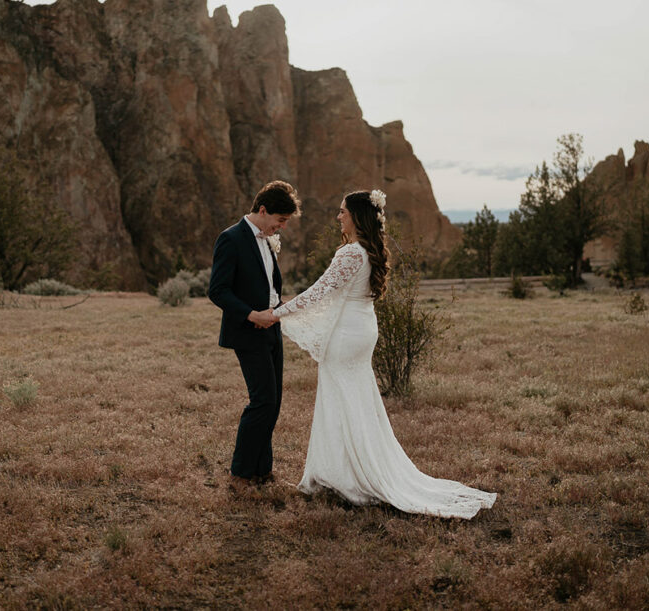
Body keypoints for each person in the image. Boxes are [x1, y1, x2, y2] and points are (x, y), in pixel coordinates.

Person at [272, 190, 497, 518]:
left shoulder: (350, 253)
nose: (338, 217)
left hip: (347, 335)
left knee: (341, 399)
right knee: (356, 398)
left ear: (357, 217)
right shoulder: (368, 251)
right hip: (362, 329)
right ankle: (341, 470)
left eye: (343, 212)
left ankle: (348, 476)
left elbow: (320, 291)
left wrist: (277, 313)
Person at [208, 181, 301, 496]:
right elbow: (217, 290)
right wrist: (252, 314)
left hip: (273, 327)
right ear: (263, 210)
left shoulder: (267, 240)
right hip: (248, 331)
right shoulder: (230, 239)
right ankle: (240, 474)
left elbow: (269, 285)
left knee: (273, 403)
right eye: (281, 219)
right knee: (261, 401)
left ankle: (263, 471)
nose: (282, 226)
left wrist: (278, 309)